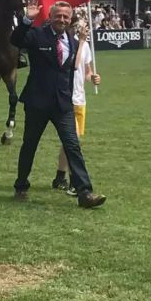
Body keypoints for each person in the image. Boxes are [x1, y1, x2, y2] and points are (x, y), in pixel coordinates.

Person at [10, 0, 106, 209]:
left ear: (70, 19)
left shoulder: (72, 40)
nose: (62, 19)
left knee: (73, 145)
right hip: (38, 102)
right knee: (30, 145)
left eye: (65, 16)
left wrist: (90, 77)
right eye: (58, 16)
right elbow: (16, 39)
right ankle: (21, 186)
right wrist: (27, 19)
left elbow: (72, 69)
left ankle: (85, 193)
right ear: (50, 17)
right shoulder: (37, 35)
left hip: (63, 104)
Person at [52, 20, 96, 197]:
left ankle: (59, 177)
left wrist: (93, 77)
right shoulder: (68, 44)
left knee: (68, 143)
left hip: (80, 99)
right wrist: (83, 42)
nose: (85, 29)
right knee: (73, 142)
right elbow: (73, 65)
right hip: (66, 99)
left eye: (86, 27)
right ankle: (74, 182)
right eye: (82, 26)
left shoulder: (85, 46)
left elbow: (86, 71)